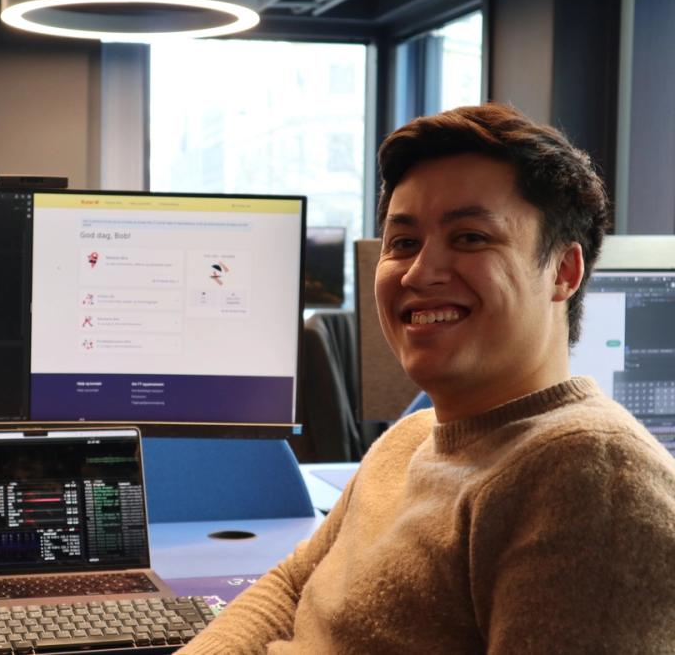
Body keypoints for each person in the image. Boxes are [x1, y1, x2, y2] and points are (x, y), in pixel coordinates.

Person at [179, 103, 675, 654]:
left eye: (470, 237)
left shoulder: (591, 476)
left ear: (563, 271)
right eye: (403, 242)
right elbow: (291, 588)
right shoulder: (411, 438)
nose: (419, 272)